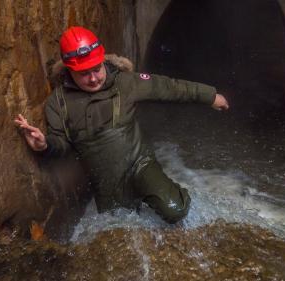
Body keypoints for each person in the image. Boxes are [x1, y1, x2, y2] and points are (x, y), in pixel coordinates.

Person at [14, 26, 229, 224]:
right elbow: (61, 143)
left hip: (140, 163)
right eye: (83, 74)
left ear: (102, 60)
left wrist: (210, 96)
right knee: (120, 229)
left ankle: (172, 192)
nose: (93, 78)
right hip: (106, 181)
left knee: (174, 210)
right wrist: (45, 146)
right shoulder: (58, 103)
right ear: (69, 70)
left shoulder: (125, 83)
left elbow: (170, 87)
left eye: (96, 69)